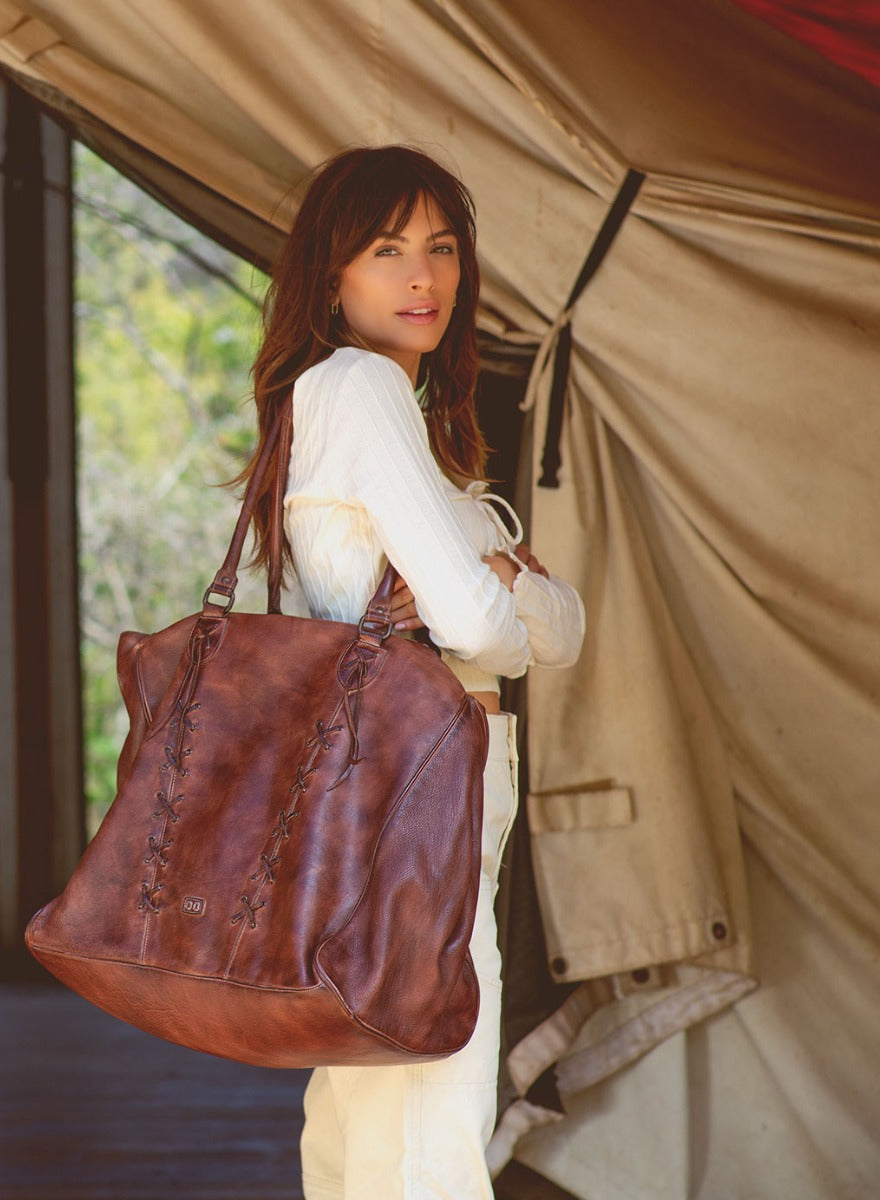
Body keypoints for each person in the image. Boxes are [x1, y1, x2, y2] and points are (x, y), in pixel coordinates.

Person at [240, 145, 585, 1200]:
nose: (420, 276)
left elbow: (553, 629)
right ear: (330, 273)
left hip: (391, 790)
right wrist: (511, 588)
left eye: (440, 248)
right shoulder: (357, 387)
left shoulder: (400, 422)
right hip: (418, 789)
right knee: (429, 1101)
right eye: (385, 250)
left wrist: (512, 603)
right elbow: (489, 625)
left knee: (365, 1095)